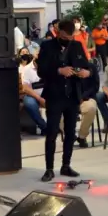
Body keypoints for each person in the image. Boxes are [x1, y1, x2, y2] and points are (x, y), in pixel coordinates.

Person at [36, 19, 91, 181]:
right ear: (58, 32)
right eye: (64, 37)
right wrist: (59, 70)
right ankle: (49, 168)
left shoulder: (77, 45)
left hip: (72, 95)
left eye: (70, 37)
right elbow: (41, 70)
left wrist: (85, 72)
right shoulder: (47, 46)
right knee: (52, 132)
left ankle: (66, 165)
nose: (67, 40)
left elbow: (86, 66)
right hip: (55, 95)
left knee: (70, 132)